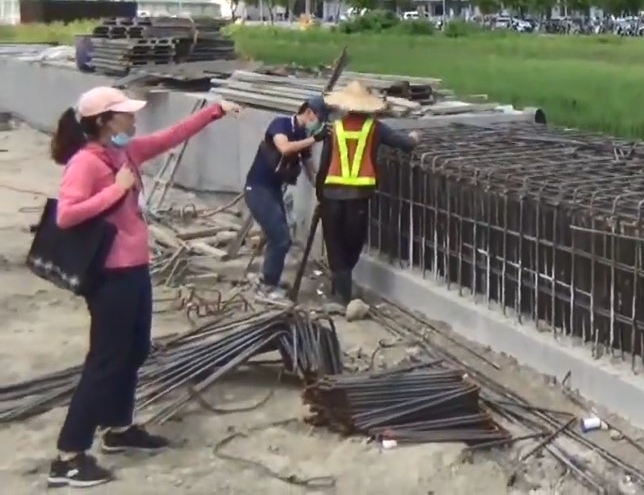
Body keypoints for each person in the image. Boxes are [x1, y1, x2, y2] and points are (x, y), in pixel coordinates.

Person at [47, 86, 241, 488]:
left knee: (134, 351)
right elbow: (66, 216)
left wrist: (215, 111)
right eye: (125, 115)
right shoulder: (86, 162)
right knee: (105, 359)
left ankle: (119, 427)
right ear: (103, 121)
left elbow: (169, 137)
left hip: (135, 269)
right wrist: (115, 190)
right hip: (110, 276)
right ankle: (69, 454)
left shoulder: (124, 152)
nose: (133, 121)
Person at [315, 81, 419, 303]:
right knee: (353, 242)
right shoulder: (375, 128)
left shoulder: (335, 128)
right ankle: (343, 294)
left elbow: (325, 164)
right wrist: (414, 137)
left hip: (331, 195)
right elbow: (405, 144)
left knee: (334, 243)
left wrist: (319, 195)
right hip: (357, 197)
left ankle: (340, 292)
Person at [243, 97, 328, 299]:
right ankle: (268, 286)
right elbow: (285, 148)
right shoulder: (281, 124)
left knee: (281, 237)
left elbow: (310, 169)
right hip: (257, 188)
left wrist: (322, 189)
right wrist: (315, 139)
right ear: (308, 112)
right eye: (319, 118)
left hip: (273, 190)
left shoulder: (303, 136)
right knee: (280, 237)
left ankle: (269, 279)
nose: (318, 124)